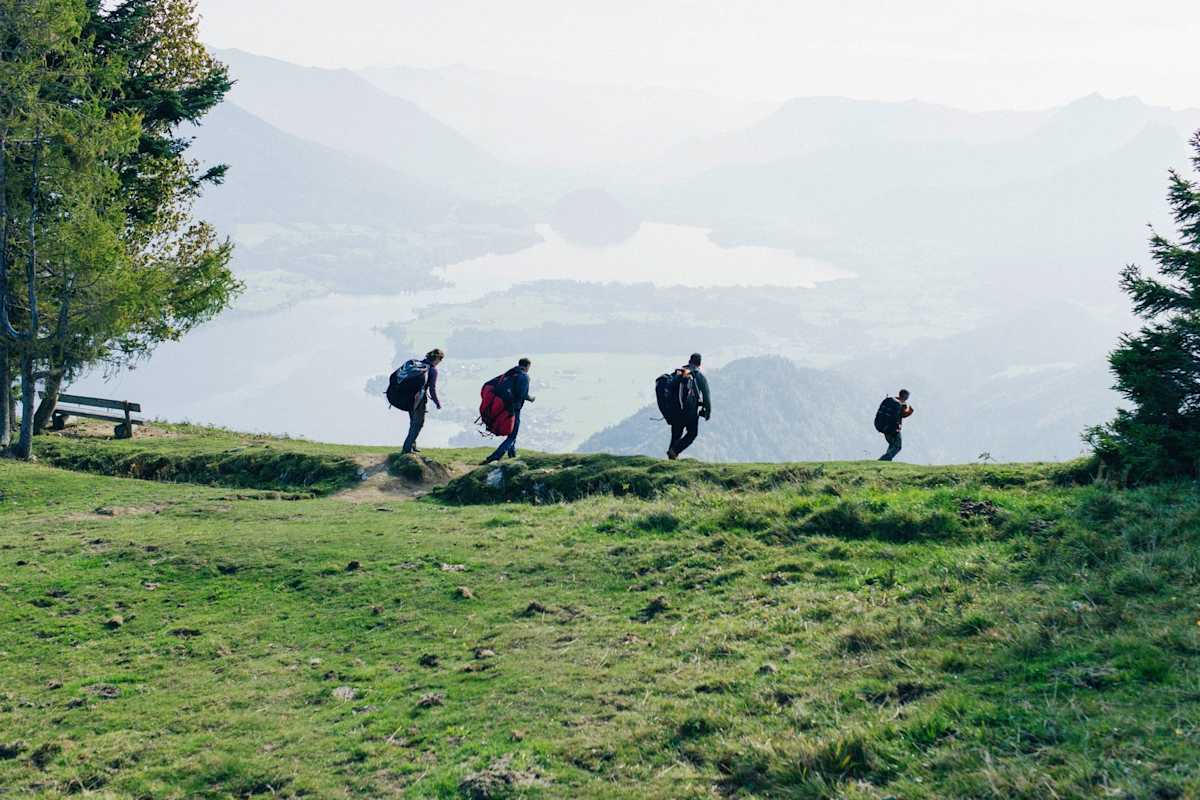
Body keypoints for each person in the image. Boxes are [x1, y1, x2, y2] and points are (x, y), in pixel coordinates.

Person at [483, 357, 535, 464]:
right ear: (528, 366)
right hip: (514, 409)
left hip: (505, 407)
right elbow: (522, 394)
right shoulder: (524, 376)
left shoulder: (511, 373)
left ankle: (512, 455)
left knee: (512, 432)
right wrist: (531, 398)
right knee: (512, 435)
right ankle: (494, 457)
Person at [667, 353, 712, 460]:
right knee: (692, 433)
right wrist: (707, 412)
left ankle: (671, 459)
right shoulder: (699, 376)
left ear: (689, 361)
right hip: (690, 413)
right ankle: (674, 452)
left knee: (676, 435)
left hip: (675, 411)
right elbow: (706, 396)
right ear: (699, 364)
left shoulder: (678, 373)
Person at [401, 349, 444, 454]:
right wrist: (437, 402)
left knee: (413, 422)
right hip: (419, 400)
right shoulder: (432, 370)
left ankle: (412, 445)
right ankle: (407, 448)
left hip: (409, 397)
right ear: (437, 358)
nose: (440, 362)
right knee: (418, 424)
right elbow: (432, 389)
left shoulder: (418, 365)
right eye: (440, 359)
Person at [878, 389, 914, 461]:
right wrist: (910, 410)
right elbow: (902, 415)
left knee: (892, 444)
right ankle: (884, 459)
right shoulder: (899, 404)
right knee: (897, 446)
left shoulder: (889, 400)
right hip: (893, 429)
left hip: (883, 427)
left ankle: (886, 460)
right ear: (905, 396)